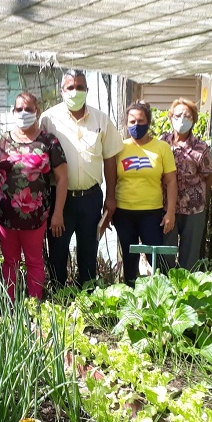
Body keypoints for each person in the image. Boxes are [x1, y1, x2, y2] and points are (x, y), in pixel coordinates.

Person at [39, 70, 123, 288]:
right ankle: (59, 301)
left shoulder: (101, 119)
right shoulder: (48, 119)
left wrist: (111, 197)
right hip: (60, 200)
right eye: (70, 87)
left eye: (80, 87)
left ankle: (87, 303)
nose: (75, 92)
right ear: (61, 91)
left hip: (91, 198)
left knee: (88, 254)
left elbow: (110, 159)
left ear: (87, 90)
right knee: (57, 253)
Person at [0, 92, 68, 301]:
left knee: (34, 261)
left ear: (37, 111)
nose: (24, 113)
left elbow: (62, 179)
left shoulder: (49, 142)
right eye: (19, 109)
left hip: (36, 216)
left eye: (29, 109)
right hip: (5, 216)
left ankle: (35, 308)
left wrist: (58, 212)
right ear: (13, 112)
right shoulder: (2, 142)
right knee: (9, 261)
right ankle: (10, 307)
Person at [113, 101, 176, 285]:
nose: (136, 125)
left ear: (148, 122)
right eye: (132, 121)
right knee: (129, 260)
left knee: (156, 260)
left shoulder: (162, 148)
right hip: (123, 213)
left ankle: (161, 297)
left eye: (141, 121)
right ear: (126, 123)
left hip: (151, 213)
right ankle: (130, 298)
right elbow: (112, 179)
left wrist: (170, 212)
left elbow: (171, 181)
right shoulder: (119, 148)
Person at [160, 97, 212, 271]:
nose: (182, 119)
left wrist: (197, 195)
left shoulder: (201, 147)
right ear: (170, 117)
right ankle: (166, 289)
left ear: (194, 120)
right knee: (165, 252)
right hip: (166, 207)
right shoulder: (162, 143)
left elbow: (209, 176)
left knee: (190, 255)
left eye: (188, 116)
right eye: (178, 115)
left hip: (193, 209)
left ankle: (188, 291)